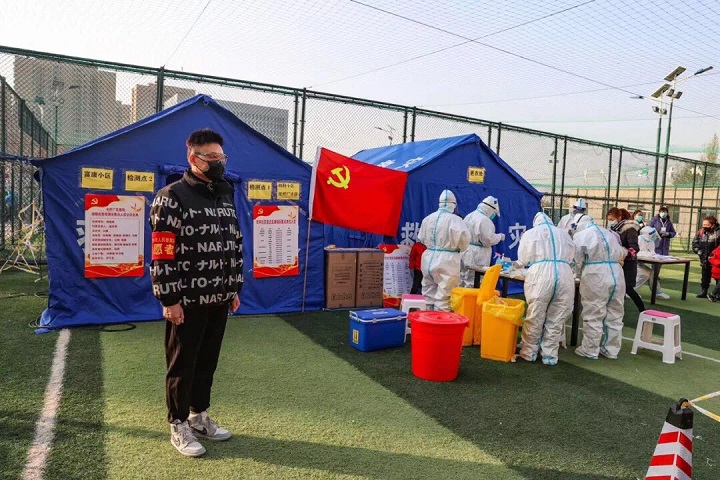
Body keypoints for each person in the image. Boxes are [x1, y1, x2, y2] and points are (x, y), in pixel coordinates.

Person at [150, 128, 243, 457]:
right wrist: (169, 299)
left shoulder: (225, 195)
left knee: (207, 362)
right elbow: (162, 252)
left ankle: (199, 416)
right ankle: (178, 424)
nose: (219, 163)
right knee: (182, 364)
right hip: (186, 301)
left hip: (219, 297)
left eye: (221, 157)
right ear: (193, 158)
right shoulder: (171, 196)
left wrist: (233, 288)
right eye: (212, 157)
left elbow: (234, 244)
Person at [517, 212, 576, 366]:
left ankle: (529, 352)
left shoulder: (531, 233)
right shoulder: (564, 234)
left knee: (535, 314)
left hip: (540, 274)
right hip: (564, 274)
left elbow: (523, 258)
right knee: (557, 317)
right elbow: (572, 256)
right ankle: (550, 355)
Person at [573, 221, 627, 359]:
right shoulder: (609, 234)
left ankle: (590, 349)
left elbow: (577, 258)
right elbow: (621, 252)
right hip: (616, 273)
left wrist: (577, 274)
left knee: (593, 312)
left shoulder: (582, 235)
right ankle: (611, 350)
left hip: (595, 273)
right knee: (616, 313)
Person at [418, 189, 471, 311]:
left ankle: (426, 320)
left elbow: (421, 238)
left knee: (427, 293)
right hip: (447, 261)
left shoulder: (427, 218)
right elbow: (464, 241)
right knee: (444, 296)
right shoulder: (455, 220)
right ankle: (440, 321)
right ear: (453, 204)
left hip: (428, 258)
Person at [459, 196, 504, 287]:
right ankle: (472, 296)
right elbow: (488, 239)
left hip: (465, 251)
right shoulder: (484, 220)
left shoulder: (469, 216)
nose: (493, 215)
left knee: (463, 278)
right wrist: (499, 237)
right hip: (477, 255)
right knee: (475, 280)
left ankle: (461, 295)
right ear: (490, 209)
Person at [607, 207, 645, 312]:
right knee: (617, 287)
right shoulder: (613, 230)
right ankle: (618, 309)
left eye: (612, 219)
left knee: (628, 287)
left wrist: (624, 254)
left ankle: (642, 309)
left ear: (619, 217)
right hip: (617, 262)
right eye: (609, 220)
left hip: (628, 263)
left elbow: (634, 248)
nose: (610, 222)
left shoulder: (630, 229)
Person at [636, 226, 670, 300]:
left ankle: (657, 292)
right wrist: (646, 254)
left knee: (652, 273)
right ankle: (632, 292)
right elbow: (637, 252)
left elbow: (652, 252)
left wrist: (655, 256)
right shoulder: (639, 239)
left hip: (641, 263)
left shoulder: (651, 242)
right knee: (644, 274)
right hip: (634, 263)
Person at [692, 216, 720, 298]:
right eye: (703, 224)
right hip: (704, 258)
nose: (705, 226)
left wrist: (715, 254)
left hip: (716, 259)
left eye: (707, 225)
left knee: (718, 276)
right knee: (705, 276)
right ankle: (704, 291)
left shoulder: (718, 232)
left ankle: (717, 293)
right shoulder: (701, 232)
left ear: (713, 224)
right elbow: (695, 242)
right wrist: (698, 250)